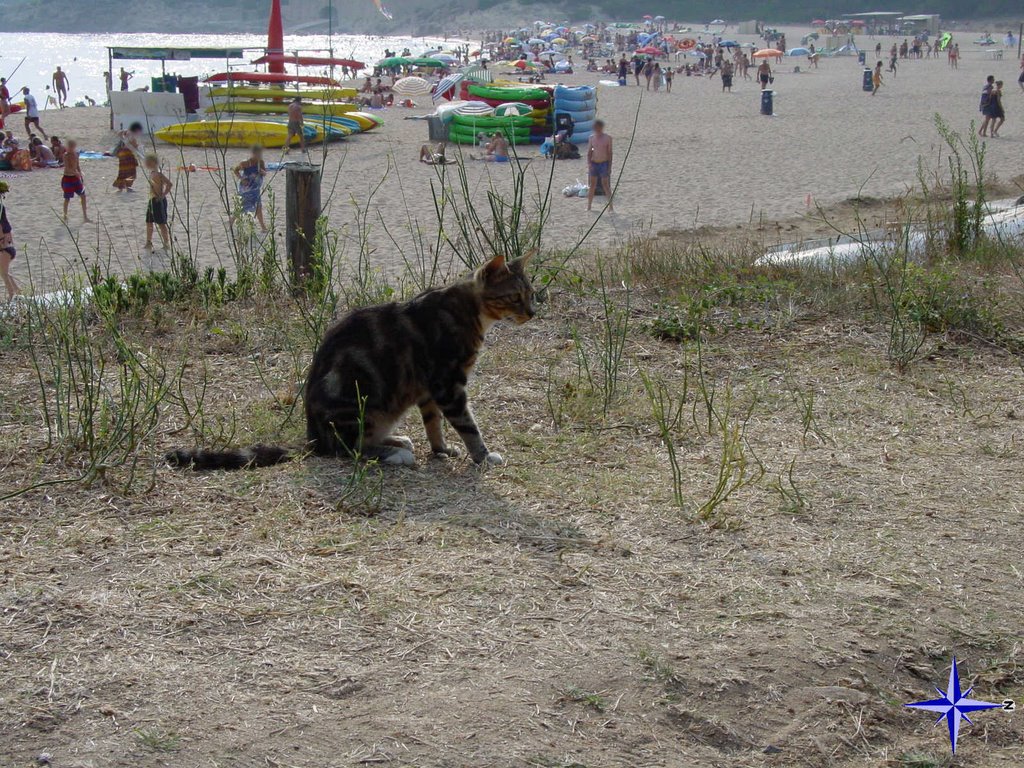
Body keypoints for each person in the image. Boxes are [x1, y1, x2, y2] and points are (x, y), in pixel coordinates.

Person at [231, 145, 268, 232]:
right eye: (257, 154)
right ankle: (231, 221)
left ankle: (263, 227)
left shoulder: (261, 162)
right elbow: (236, 170)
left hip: (255, 189)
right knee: (241, 206)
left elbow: (265, 172)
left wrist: (262, 172)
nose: (259, 156)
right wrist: (241, 178)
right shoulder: (246, 163)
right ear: (253, 153)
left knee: (258, 206)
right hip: (246, 188)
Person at [143, 154, 172, 250]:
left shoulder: (159, 174)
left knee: (161, 223)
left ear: (153, 162)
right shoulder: (152, 173)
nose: (146, 164)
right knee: (149, 221)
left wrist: (163, 195)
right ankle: (149, 242)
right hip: (152, 200)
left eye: (148, 162)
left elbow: (169, 184)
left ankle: (166, 243)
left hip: (159, 200)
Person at [61, 139, 90, 224]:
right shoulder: (65, 155)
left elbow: (77, 165)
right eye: (69, 146)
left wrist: (80, 174)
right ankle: (65, 216)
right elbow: (68, 167)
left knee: (83, 196)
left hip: (76, 178)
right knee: (67, 198)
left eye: (72, 146)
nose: (71, 148)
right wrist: (76, 173)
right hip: (67, 178)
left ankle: (85, 216)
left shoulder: (76, 154)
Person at [586, 119, 613, 212]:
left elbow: (610, 153)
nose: (597, 129)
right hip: (594, 163)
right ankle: (589, 206)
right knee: (592, 185)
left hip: (603, 163)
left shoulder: (608, 138)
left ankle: (610, 206)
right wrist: (589, 163)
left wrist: (609, 167)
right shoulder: (591, 138)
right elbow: (589, 152)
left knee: (605, 185)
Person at [0, 181, 20, 300]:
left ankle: (12, 296)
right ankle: (18, 291)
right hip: (6, 245)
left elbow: (2, 228)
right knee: (4, 272)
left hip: (3, 246)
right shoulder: (1, 207)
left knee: (4, 274)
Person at [113, 122, 143, 191]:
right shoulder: (132, 135)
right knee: (131, 172)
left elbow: (119, 133)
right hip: (128, 154)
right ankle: (128, 186)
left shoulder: (126, 132)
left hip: (122, 153)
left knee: (122, 171)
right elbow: (134, 145)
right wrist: (138, 146)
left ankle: (120, 187)